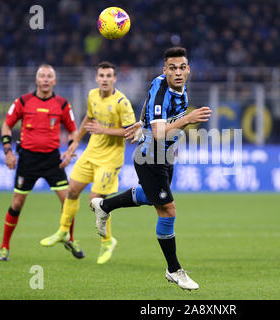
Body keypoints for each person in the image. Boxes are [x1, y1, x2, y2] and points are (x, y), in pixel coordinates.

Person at [90, 47, 211, 290]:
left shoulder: (165, 84)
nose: (177, 72)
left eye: (181, 67)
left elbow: (149, 109)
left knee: (149, 196)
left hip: (166, 155)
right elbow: (157, 133)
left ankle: (104, 205)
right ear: (164, 70)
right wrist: (187, 119)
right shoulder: (162, 90)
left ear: (188, 70)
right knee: (167, 209)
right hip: (150, 156)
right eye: (172, 68)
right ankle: (174, 269)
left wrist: (140, 122)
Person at [40, 61, 136, 264]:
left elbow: (131, 131)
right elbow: (87, 119)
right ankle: (64, 232)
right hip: (91, 152)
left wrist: (104, 130)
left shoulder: (122, 102)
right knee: (72, 190)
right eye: (101, 75)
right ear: (96, 78)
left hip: (110, 158)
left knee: (95, 201)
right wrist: (74, 143)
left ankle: (107, 241)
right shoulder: (92, 95)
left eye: (109, 76)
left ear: (114, 79)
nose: (104, 79)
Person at [0, 64, 79, 261]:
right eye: (42, 75)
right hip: (28, 159)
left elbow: (74, 132)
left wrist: (69, 152)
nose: (45, 79)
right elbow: (6, 127)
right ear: (36, 80)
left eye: (49, 76)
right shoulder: (23, 101)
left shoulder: (62, 104)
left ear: (54, 81)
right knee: (17, 203)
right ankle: (4, 246)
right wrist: (8, 152)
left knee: (68, 201)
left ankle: (70, 239)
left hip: (52, 159)